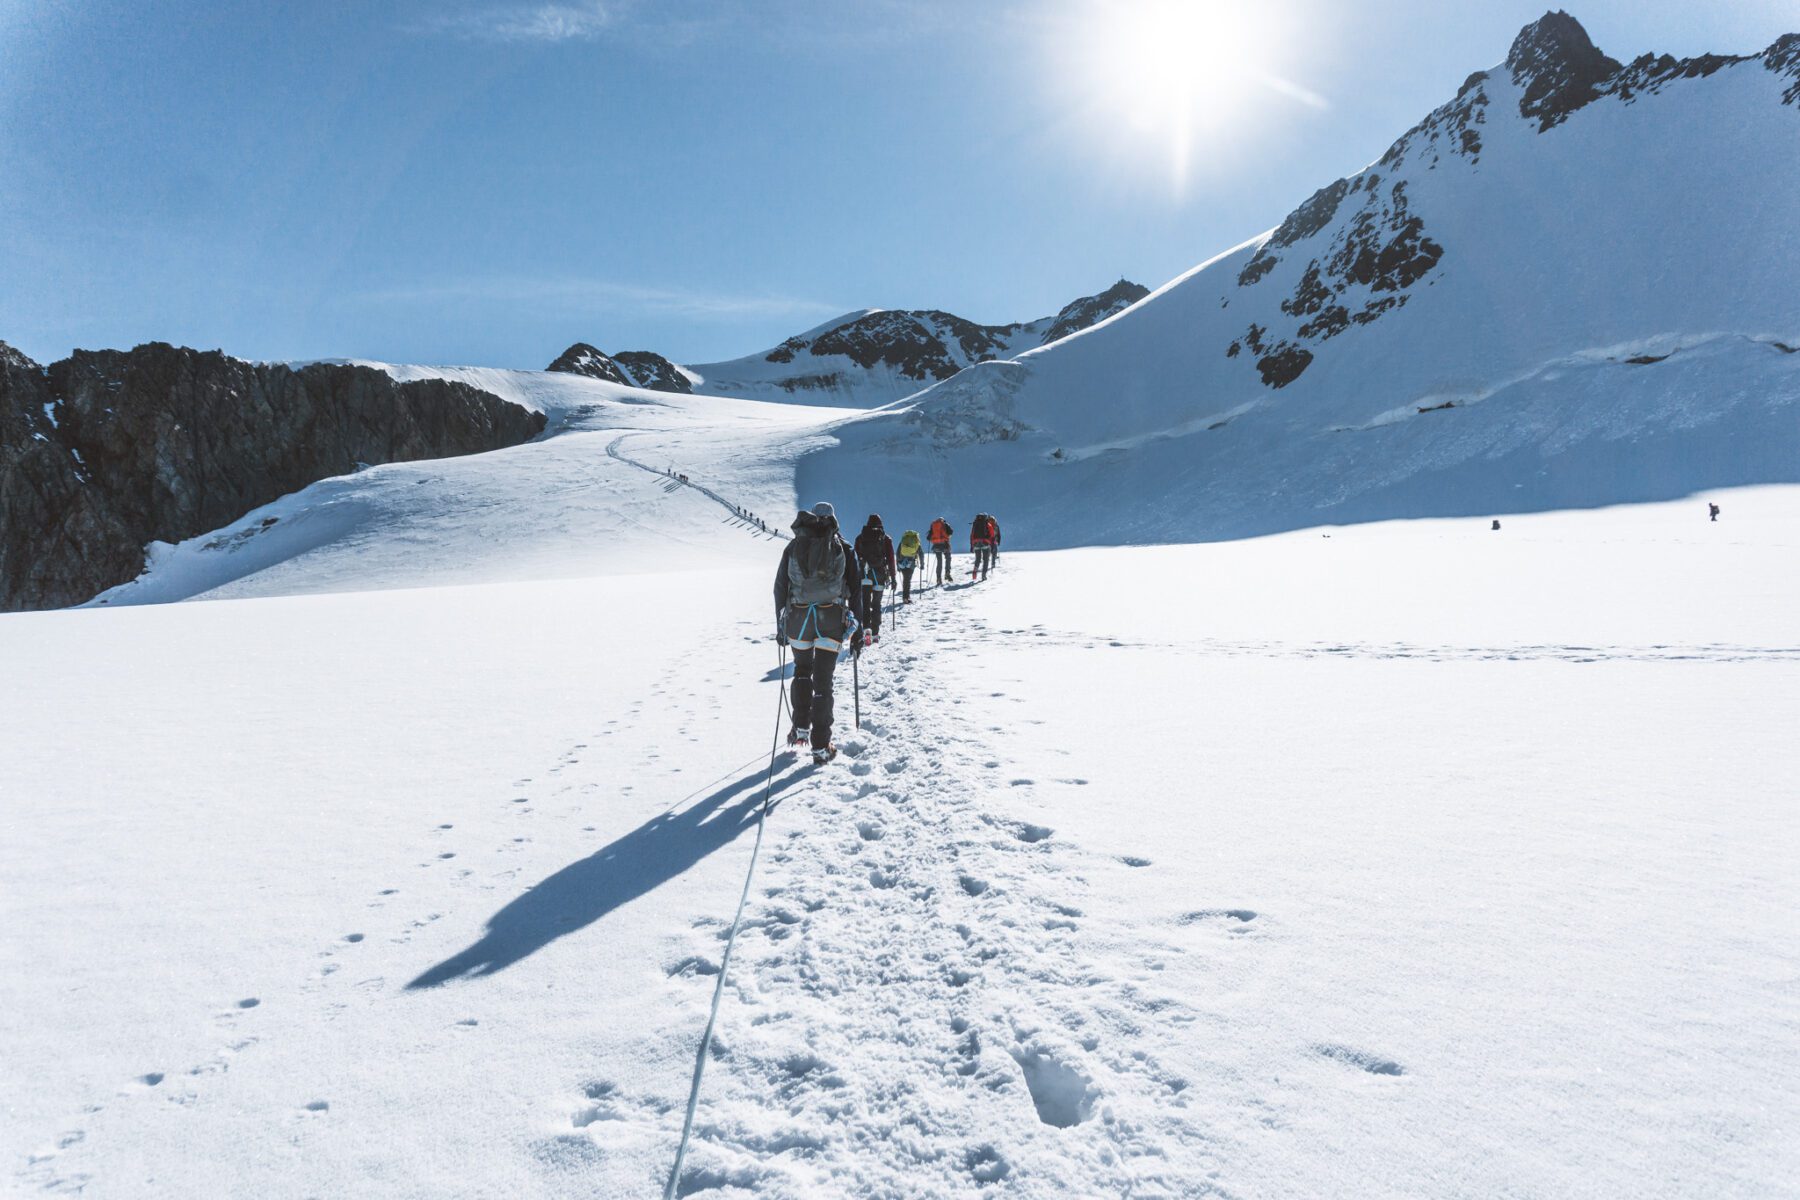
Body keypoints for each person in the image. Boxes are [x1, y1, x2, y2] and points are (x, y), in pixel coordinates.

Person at [774, 502, 861, 764]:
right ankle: (821, 747)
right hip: (831, 618)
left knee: (802, 671)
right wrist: (857, 633)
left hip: (799, 618)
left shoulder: (793, 547)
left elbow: (780, 586)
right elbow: (856, 590)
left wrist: (780, 623)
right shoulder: (844, 547)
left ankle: (800, 729)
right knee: (823, 682)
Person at [852, 514, 896, 644]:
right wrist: (893, 577)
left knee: (865, 603)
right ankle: (875, 633)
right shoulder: (886, 538)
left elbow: (855, 558)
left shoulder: (860, 538)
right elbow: (891, 560)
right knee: (876, 604)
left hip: (865, 575)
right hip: (879, 575)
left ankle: (866, 631)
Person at [896, 529, 922, 602]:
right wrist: (922, 564)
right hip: (911, 563)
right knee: (907, 580)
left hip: (902, 563)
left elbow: (897, 553)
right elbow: (921, 553)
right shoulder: (916, 542)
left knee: (906, 579)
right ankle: (906, 597)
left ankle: (906, 597)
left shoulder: (902, 542)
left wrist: (897, 564)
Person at [928, 516, 954, 584]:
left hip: (936, 545)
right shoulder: (945, 524)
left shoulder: (933, 525)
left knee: (939, 562)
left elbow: (929, 536)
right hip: (945, 544)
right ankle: (947, 573)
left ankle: (938, 578)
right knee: (948, 558)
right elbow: (951, 532)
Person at [969, 512, 995, 580]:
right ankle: (983, 575)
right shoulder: (988, 524)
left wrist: (972, 546)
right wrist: (992, 545)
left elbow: (971, 535)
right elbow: (992, 535)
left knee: (977, 559)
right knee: (985, 560)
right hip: (985, 543)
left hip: (976, 543)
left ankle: (975, 571)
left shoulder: (975, 525)